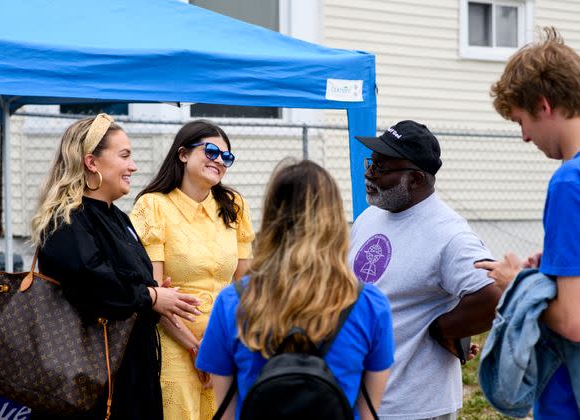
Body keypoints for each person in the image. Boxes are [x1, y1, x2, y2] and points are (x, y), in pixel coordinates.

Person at [30, 113, 201, 419]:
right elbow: (93, 283)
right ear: (91, 162)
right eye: (124, 156)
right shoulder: (67, 219)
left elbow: (125, 279)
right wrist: (150, 296)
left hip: (130, 373)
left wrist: (156, 293)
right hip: (90, 383)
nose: (133, 166)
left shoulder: (119, 218)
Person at [196, 159, 394, 420]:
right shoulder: (369, 304)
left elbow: (226, 411)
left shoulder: (233, 302)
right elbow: (368, 412)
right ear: (334, 221)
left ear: (272, 218)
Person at [350, 120, 502, 420]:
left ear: (416, 179)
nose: (369, 173)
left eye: (381, 168)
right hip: (362, 399)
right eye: (371, 162)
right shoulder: (369, 217)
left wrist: (443, 328)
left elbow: (493, 294)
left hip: (415, 407)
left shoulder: (450, 234)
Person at [478, 27, 580, 418]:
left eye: (521, 121)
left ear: (543, 105)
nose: (524, 137)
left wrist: (514, 285)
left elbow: (572, 321)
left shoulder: (570, 183)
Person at [130, 119, 254, 420]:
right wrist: (197, 349)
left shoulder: (234, 205)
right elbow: (156, 295)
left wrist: (226, 350)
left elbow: (245, 288)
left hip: (224, 344)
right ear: (183, 153)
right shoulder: (153, 206)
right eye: (211, 151)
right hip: (174, 344)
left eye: (226, 157)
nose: (219, 161)